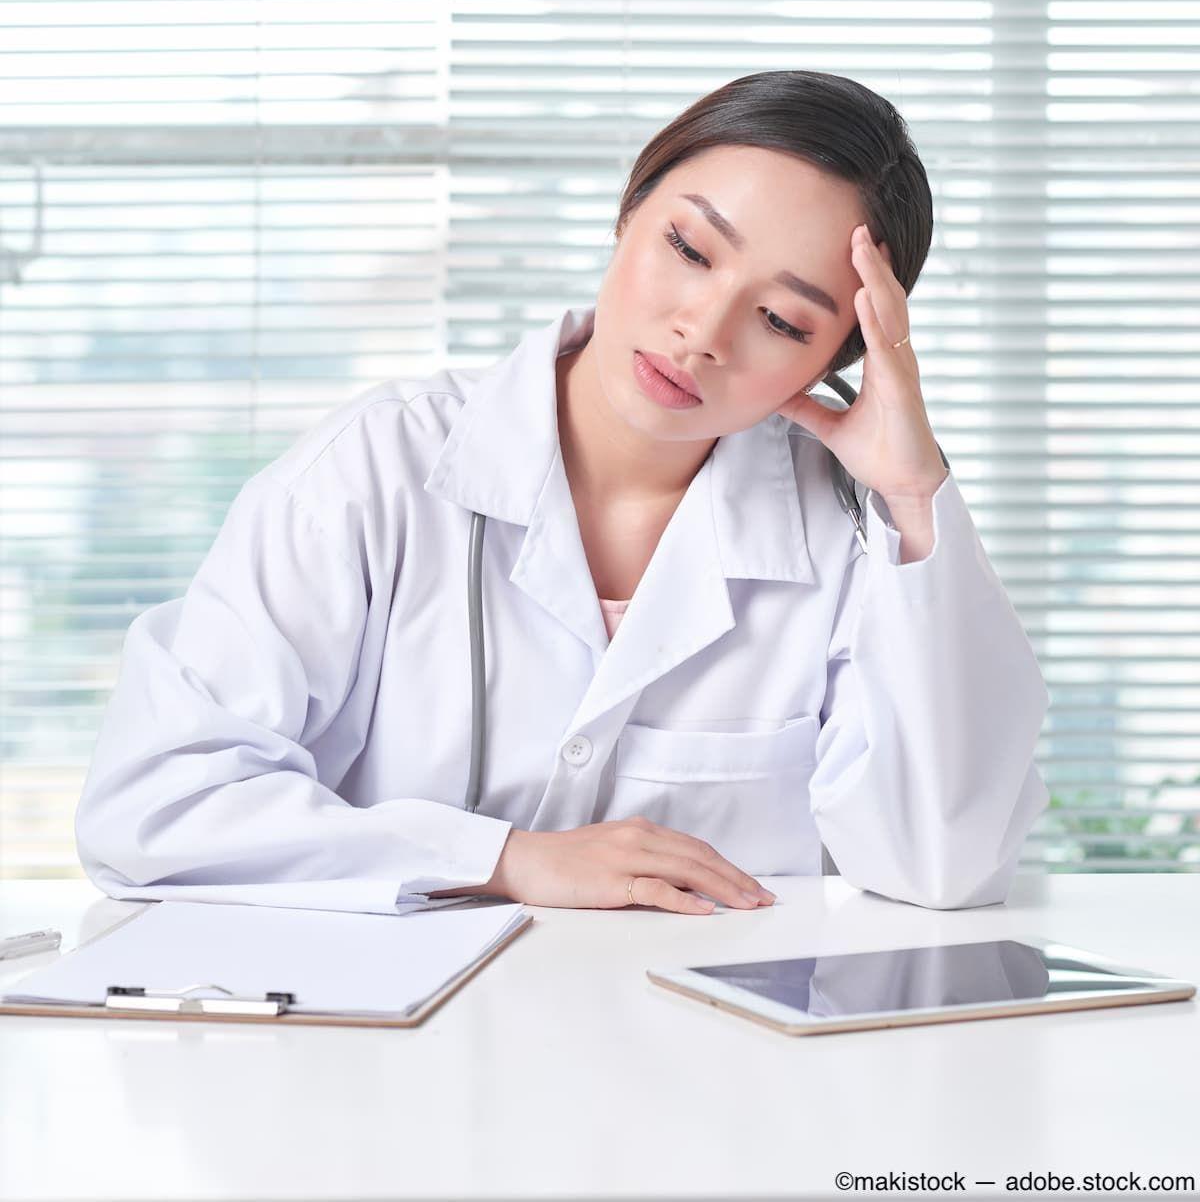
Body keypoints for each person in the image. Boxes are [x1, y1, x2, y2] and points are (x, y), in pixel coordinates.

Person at [74, 70, 1050, 917]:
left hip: (723, 1087)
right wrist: (502, 858)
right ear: (630, 209)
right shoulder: (377, 470)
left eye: (783, 320)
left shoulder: (850, 529)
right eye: (690, 248)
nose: (703, 329)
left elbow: (944, 862)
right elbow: (151, 808)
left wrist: (914, 496)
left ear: (837, 359)